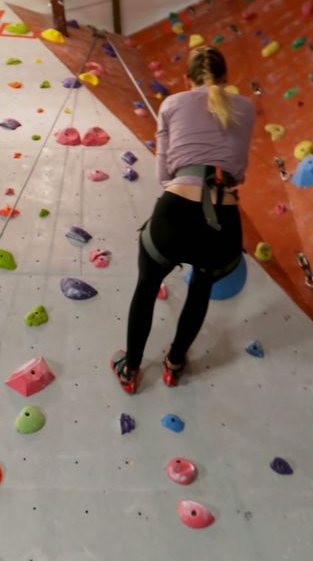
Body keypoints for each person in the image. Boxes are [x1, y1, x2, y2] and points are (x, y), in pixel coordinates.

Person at [110, 46, 256, 394]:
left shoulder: (173, 104)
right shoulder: (247, 109)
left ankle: (130, 369)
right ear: (226, 78)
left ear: (187, 79)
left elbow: (164, 174)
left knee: (146, 288)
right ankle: (175, 364)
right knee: (201, 288)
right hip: (223, 223)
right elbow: (238, 173)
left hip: (176, 213)